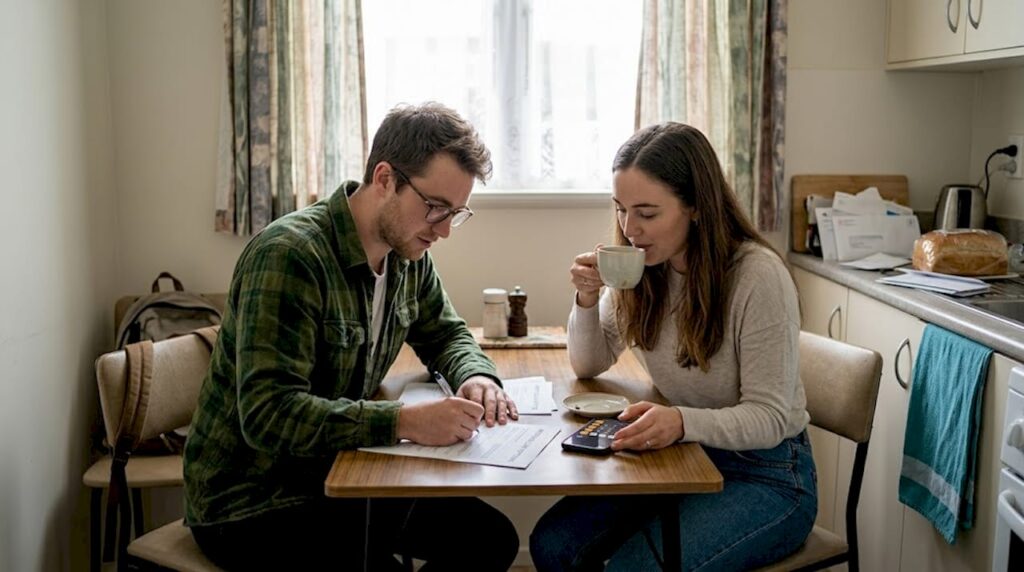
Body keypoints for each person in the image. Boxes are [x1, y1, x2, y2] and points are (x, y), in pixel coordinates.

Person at [184, 102, 520, 571]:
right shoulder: (290, 256)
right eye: (435, 207)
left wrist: (475, 376)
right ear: (385, 178)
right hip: (252, 501)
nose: (444, 230)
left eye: (455, 213)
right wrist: (404, 422)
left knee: (490, 540)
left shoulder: (408, 255)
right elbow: (268, 415)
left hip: (343, 471)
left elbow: (445, 333)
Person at [530, 122, 816, 571]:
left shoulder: (757, 276)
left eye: (647, 213)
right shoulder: (645, 267)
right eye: (621, 210)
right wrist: (586, 299)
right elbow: (588, 363)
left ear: (696, 207)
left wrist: (681, 421)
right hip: (683, 455)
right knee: (553, 544)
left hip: (767, 473)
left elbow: (771, 417)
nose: (630, 229)